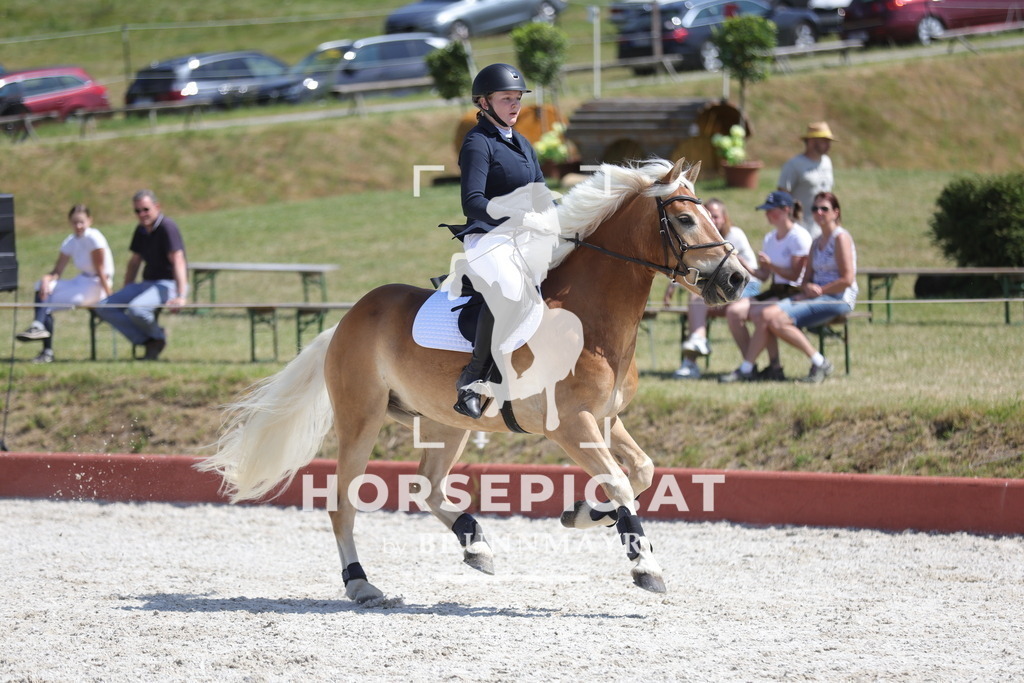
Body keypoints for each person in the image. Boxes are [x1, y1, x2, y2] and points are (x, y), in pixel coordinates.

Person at [448, 63, 550, 419]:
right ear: (484, 102)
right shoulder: (477, 144)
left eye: (518, 98)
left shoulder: (521, 142)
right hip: (487, 237)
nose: (515, 104)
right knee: (507, 287)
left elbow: (541, 193)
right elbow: (472, 201)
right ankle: (471, 380)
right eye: (506, 98)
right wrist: (517, 216)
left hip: (525, 238)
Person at [728, 192, 857, 383]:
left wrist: (819, 290)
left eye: (824, 209)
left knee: (773, 319)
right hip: (811, 295)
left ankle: (814, 363)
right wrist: (809, 287)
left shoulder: (840, 238)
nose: (819, 212)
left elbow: (847, 279)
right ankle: (756, 367)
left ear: (836, 212)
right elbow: (805, 279)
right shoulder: (815, 242)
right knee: (762, 315)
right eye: (815, 208)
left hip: (837, 298)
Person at [719, 191, 812, 383]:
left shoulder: (799, 236)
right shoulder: (770, 237)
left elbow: (795, 276)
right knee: (734, 312)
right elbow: (764, 275)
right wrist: (744, 263)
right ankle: (758, 365)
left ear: (786, 210)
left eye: (771, 210)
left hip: (795, 292)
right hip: (776, 289)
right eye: (766, 211)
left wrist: (770, 265)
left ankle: (755, 367)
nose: (767, 214)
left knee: (759, 314)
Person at [665, 198, 760, 379]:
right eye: (709, 215)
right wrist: (672, 285)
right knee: (697, 296)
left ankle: (750, 365)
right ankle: (696, 345)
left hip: (748, 287)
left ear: (724, 218)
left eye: (716, 216)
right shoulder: (704, 237)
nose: (713, 220)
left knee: (729, 309)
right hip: (722, 289)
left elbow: (752, 272)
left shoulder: (735, 234)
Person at [94, 189, 188, 361]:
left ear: (157, 207)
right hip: (147, 283)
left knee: (137, 309)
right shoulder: (141, 230)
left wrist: (181, 295)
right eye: (137, 211)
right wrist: (127, 287)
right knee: (104, 307)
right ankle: (148, 340)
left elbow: (178, 260)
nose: (142, 214)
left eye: (145, 209)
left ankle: (158, 337)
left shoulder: (167, 227)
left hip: (169, 284)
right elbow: (135, 261)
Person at [15, 204, 114, 363]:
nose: (78, 226)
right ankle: (40, 333)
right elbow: (57, 271)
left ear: (90, 220)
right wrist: (46, 280)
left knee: (45, 305)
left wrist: (110, 296)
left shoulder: (94, 237)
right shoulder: (71, 240)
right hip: (82, 280)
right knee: (41, 289)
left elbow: (100, 269)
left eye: (81, 222)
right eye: (75, 222)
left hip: (97, 284)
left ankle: (43, 338)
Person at [777, 121, 836, 241]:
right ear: (812, 141)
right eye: (824, 141)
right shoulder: (794, 165)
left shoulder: (827, 162)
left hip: (825, 226)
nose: (829, 144)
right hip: (803, 227)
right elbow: (783, 197)